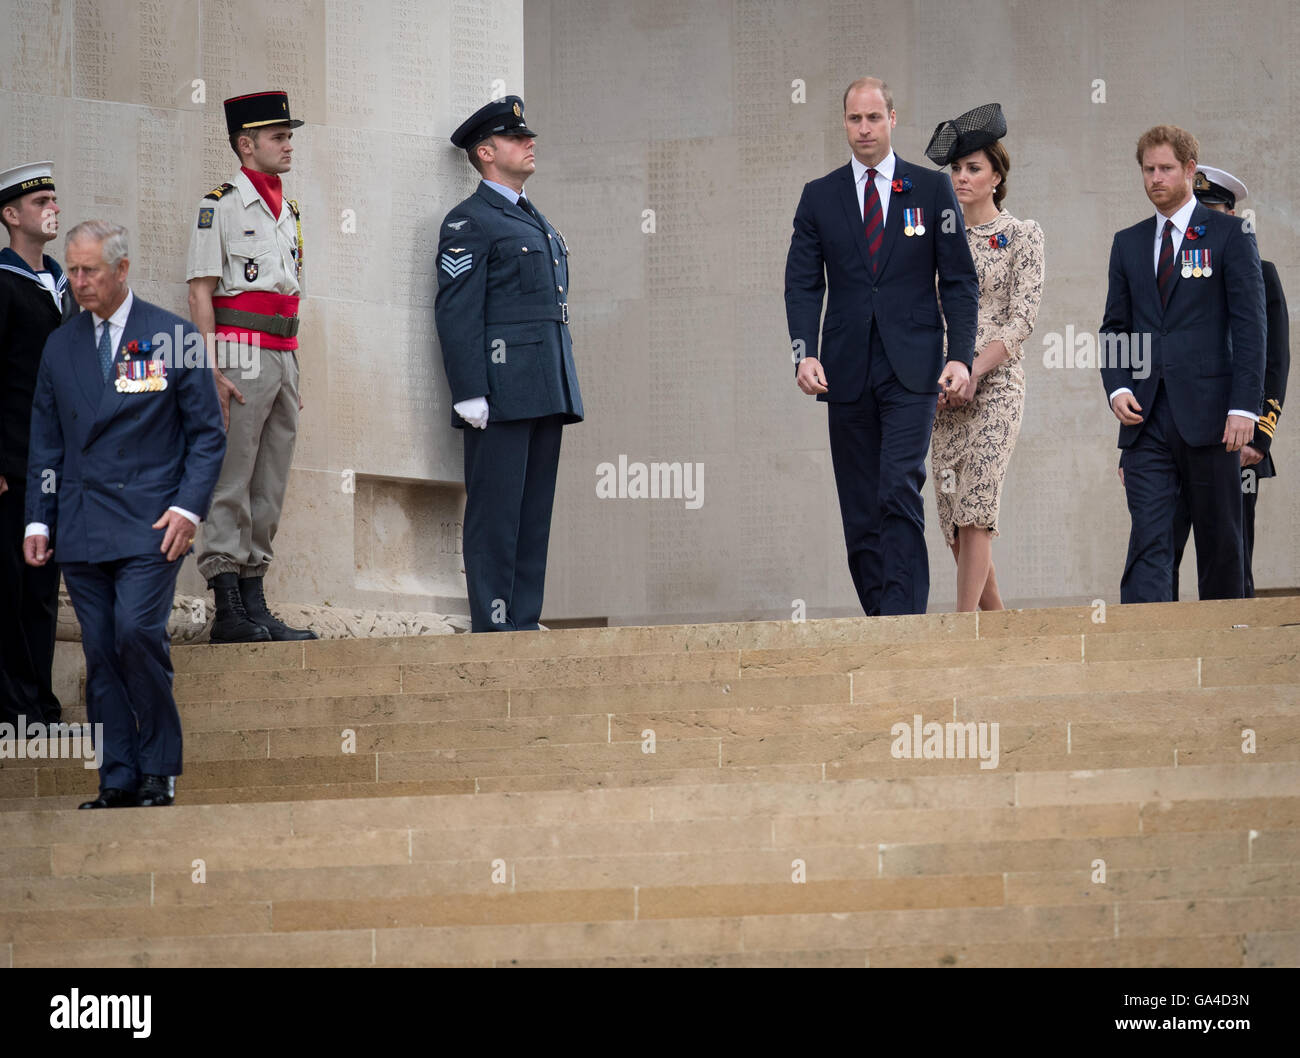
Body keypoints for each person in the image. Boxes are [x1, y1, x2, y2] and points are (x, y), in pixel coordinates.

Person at [24, 221, 225, 808]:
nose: (79, 282)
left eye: (90, 271)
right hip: (81, 524)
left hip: (152, 524)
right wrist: (39, 519)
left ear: (122, 270)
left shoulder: (172, 334)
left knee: (136, 633)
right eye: (74, 269)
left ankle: (158, 765)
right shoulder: (60, 345)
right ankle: (116, 777)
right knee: (101, 650)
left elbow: (207, 435)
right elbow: (46, 438)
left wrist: (189, 508)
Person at [785, 77, 979, 616]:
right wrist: (804, 353)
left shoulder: (932, 189)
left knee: (898, 487)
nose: (865, 128)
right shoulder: (818, 196)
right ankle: (880, 620)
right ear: (844, 123)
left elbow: (960, 281)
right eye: (855, 119)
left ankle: (904, 619)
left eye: (874, 117)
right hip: (845, 371)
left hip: (913, 370)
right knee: (860, 505)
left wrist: (960, 356)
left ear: (893, 119)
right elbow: (802, 283)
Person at [435, 95, 583, 632]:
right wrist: (470, 389)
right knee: (496, 513)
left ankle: (523, 620)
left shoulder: (530, 217)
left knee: (532, 516)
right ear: (487, 152)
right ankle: (495, 625)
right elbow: (457, 311)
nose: (530, 143)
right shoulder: (470, 221)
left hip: (546, 384)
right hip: (499, 391)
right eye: (517, 138)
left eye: (528, 136)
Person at [1101, 126, 1265, 603]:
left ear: (1190, 171)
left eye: (1166, 168)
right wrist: (1117, 387)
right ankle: (1142, 647)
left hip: (1214, 417)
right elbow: (1114, 328)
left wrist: (1244, 408)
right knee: (1150, 539)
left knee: (1220, 544)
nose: (1156, 178)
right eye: (1149, 169)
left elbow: (1252, 327)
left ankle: (1227, 649)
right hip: (1146, 419)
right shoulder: (1127, 243)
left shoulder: (1230, 234)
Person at [186, 90, 315, 643]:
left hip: (283, 356)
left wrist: (293, 369)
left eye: (289, 136)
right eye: (277, 137)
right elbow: (199, 293)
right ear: (246, 143)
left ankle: (256, 599)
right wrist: (209, 370)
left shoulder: (288, 208)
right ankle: (227, 607)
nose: (288, 146)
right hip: (238, 353)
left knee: (270, 482)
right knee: (231, 478)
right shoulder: (220, 204)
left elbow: (290, 294)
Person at [925, 105, 1044, 612]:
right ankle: (999, 630)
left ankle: (961, 626)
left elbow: (1022, 321)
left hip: (995, 387)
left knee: (977, 505)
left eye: (973, 168)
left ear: (997, 175)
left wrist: (971, 370)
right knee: (953, 517)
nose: (961, 177)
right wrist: (944, 376)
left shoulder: (1023, 235)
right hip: (944, 393)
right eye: (955, 169)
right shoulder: (937, 238)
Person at [1169, 165, 1288, 600]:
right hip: (1177, 438)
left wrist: (1260, 435)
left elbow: (1275, 362)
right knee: (1163, 548)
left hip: (1237, 445)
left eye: (1213, 211)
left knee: (1231, 557)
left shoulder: (1261, 270)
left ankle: (1236, 644)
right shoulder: (1170, 274)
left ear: (1233, 215)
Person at [0, 161, 75, 728]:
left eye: (54, 198)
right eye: (40, 200)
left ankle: (39, 704)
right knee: (11, 587)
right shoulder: (3, 282)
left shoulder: (66, 285)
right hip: (14, 463)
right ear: (11, 215)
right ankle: (13, 707)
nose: (52, 207)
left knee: (42, 589)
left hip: (58, 468)